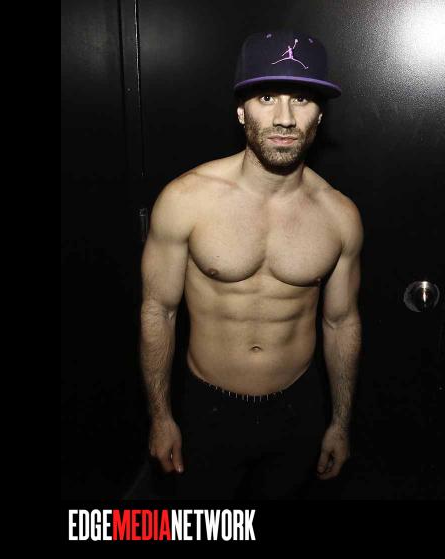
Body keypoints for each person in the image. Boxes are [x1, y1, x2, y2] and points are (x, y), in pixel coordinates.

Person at [140, 30, 363, 499]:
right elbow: (159, 310)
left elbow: (341, 323)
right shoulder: (185, 200)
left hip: (298, 409)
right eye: (266, 98)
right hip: (207, 409)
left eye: (301, 99)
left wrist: (341, 422)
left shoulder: (339, 216)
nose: (284, 118)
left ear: (320, 114)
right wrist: (160, 417)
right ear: (242, 110)